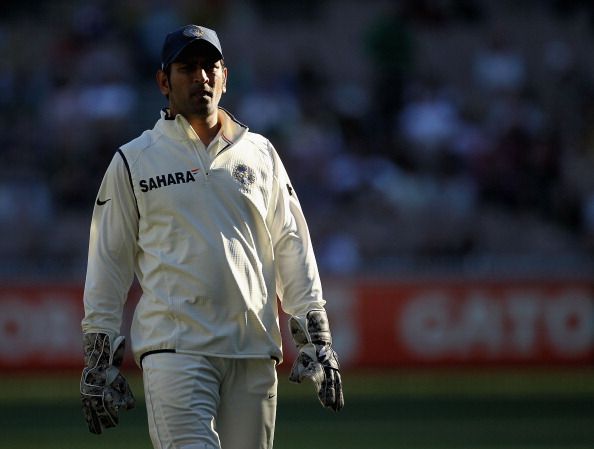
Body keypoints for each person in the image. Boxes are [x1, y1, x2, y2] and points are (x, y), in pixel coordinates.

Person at [79, 24, 344, 449]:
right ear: (163, 81)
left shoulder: (260, 152)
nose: (200, 77)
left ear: (225, 76)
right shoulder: (133, 160)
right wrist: (99, 354)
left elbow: (291, 242)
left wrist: (316, 332)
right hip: (175, 349)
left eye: (209, 67)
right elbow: (108, 261)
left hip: (254, 348)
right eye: (187, 67)